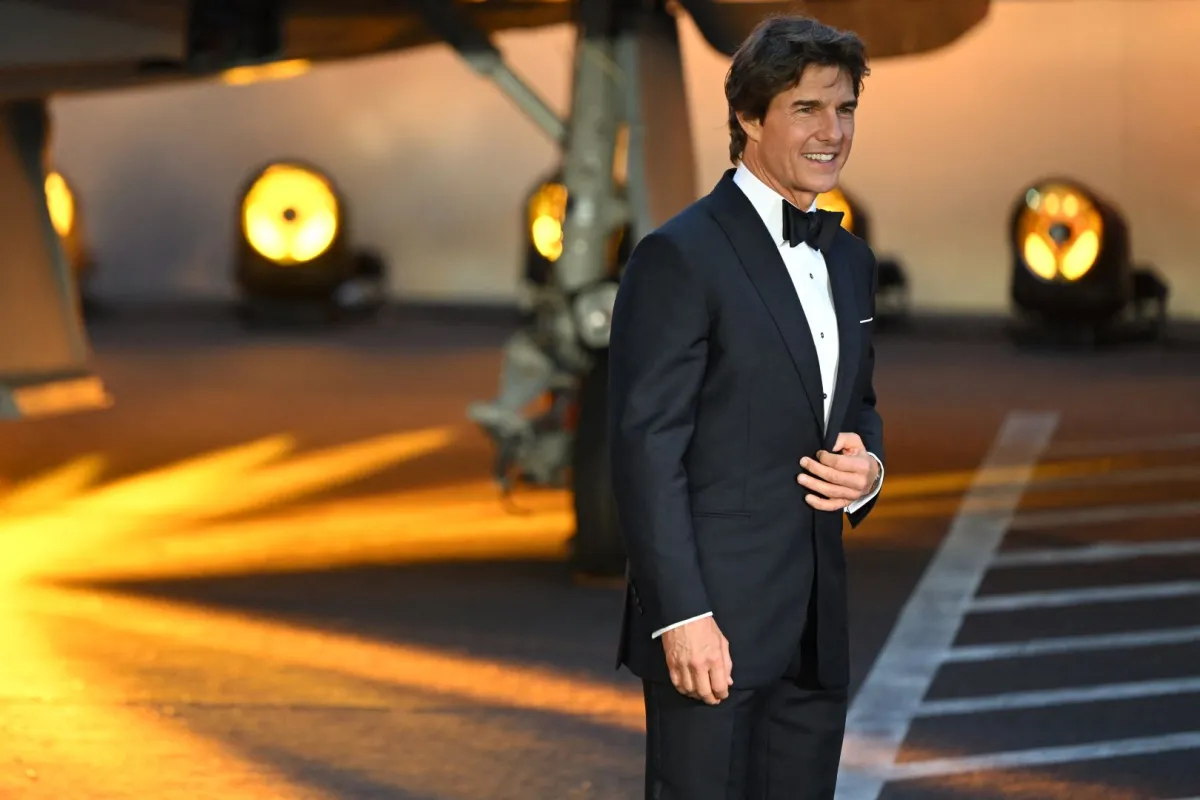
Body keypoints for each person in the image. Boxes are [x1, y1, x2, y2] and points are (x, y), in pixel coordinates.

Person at [607, 14, 885, 799]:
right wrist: (680, 616)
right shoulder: (680, 256)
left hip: (813, 630)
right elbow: (645, 449)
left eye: (845, 110)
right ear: (748, 118)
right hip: (713, 632)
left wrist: (868, 469)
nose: (832, 132)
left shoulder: (851, 261)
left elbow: (856, 405)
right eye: (807, 110)